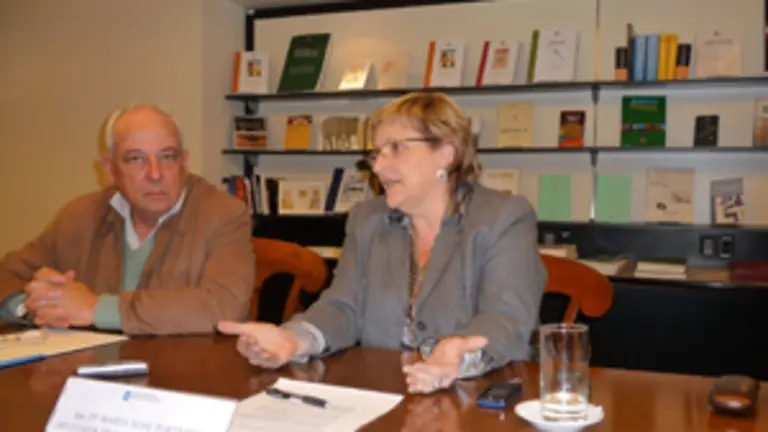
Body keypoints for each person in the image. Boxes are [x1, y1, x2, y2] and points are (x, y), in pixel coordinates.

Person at [218, 92, 547, 394]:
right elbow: (342, 307)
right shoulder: (368, 219)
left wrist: (457, 354)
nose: (377, 166)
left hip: (471, 401)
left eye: (396, 148)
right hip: (381, 394)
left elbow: (506, 318)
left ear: (446, 153)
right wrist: (293, 339)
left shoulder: (502, 216)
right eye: (376, 153)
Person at [0, 104, 255, 335]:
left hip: (183, 376)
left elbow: (224, 305)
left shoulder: (223, 215)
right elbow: (6, 274)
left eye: (167, 156)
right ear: (110, 169)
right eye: (136, 159)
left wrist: (96, 308)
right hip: (92, 373)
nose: (155, 174)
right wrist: (32, 305)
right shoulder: (80, 216)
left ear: (184, 162)